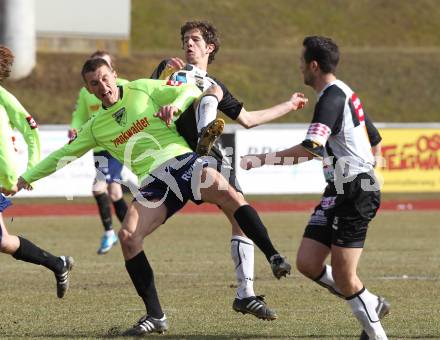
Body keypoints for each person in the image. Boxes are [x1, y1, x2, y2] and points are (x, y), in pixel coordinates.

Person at [17, 58, 292, 336]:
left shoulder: (142, 89)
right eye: (94, 83)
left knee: (231, 197)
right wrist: (26, 178)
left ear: (115, 74)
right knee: (128, 237)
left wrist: (176, 104)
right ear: (88, 90)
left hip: (183, 161)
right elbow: (63, 155)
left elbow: (187, 91)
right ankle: (156, 316)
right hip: (154, 182)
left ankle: (274, 257)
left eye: (104, 78)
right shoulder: (95, 127)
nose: (102, 86)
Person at [150, 20, 308, 321]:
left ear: (210, 47)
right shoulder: (169, 69)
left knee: (240, 218)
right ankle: (202, 137)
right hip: (178, 158)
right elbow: (145, 100)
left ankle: (245, 295)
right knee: (211, 94)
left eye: (195, 39)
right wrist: (163, 94)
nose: (188, 44)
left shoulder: (216, 85)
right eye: (185, 39)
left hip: (213, 158)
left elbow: (248, 119)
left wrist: (288, 105)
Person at [240, 36, 389, 340]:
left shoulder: (332, 98)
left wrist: (261, 159)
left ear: (314, 65)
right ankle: (372, 302)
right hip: (338, 190)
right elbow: (373, 138)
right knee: (308, 262)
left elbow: (310, 148)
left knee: (346, 277)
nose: (300, 69)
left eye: (301, 63)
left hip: (355, 190)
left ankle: (376, 334)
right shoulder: (344, 93)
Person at [0, 45, 73, 299]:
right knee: (3, 242)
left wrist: (30, 169)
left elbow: (30, 129)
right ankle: (57, 263)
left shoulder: (4, 98)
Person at [68, 51, 128, 255]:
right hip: (99, 150)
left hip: (117, 147)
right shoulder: (87, 93)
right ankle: (132, 229)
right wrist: (75, 127)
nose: (102, 83)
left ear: (113, 71)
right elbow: (79, 115)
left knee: (98, 187)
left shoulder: (126, 86)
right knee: (115, 192)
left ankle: (110, 232)